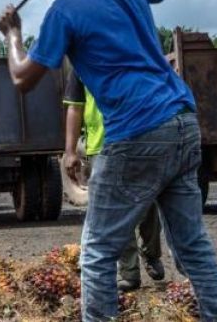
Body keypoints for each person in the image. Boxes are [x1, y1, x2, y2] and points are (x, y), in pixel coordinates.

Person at [0, 0, 217, 321]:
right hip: (182, 122)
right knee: (192, 246)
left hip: (137, 132)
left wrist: (12, 34)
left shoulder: (64, 11)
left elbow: (22, 79)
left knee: (99, 250)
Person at [63, 69, 165, 291]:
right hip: (101, 148)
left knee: (147, 205)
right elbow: (75, 106)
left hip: (137, 142)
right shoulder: (81, 66)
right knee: (117, 213)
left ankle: (151, 253)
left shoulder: (129, 52)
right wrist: (70, 150)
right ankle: (129, 273)